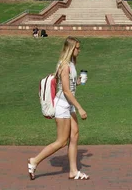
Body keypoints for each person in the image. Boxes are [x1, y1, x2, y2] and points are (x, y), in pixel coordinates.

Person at [28, 37, 89, 181]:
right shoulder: (64, 65)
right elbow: (66, 91)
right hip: (62, 105)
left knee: (74, 135)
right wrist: (80, 108)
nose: (79, 51)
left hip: (69, 105)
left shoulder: (72, 64)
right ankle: (34, 161)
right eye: (77, 48)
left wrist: (78, 81)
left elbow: (69, 86)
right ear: (71, 49)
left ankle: (73, 171)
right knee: (62, 141)